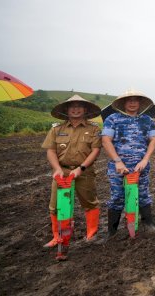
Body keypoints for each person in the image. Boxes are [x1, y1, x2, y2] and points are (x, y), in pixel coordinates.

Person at [42, 95, 102, 258]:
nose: (76, 109)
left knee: (89, 202)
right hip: (62, 171)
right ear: (66, 110)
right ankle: (57, 237)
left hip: (84, 171)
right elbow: (51, 151)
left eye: (79, 106)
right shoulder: (56, 129)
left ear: (85, 110)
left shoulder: (94, 129)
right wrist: (57, 169)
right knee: (55, 206)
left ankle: (91, 233)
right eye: (72, 106)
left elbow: (95, 151)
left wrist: (81, 168)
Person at [101, 89, 155, 237]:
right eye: (129, 100)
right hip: (118, 167)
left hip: (141, 166)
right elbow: (106, 140)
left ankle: (148, 224)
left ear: (140, 103)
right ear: (123, 103)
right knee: (117, 197)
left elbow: (154, 139)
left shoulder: (147, 120)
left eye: (135, 100)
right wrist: (118, 161)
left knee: (143, 194)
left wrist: (145, 159)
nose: (132, 103)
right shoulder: (113, 119)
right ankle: (111, 232)